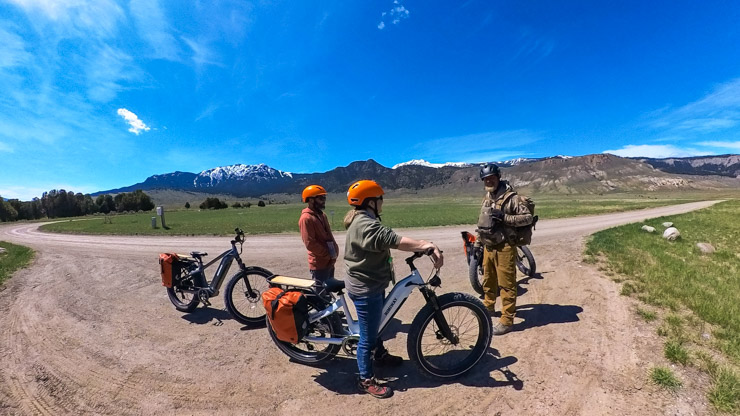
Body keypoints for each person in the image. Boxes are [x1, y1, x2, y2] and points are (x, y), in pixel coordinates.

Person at [343, 180, 443, 399]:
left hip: (370, 282)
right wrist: (425, 244)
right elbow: (393, 240)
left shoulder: (362, 220)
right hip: (366, 287)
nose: (382, 202)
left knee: (376, 323)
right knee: (367, 337)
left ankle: (379, 355)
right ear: (370, 202)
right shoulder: (366, 225)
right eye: (380, 199)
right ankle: (365, 379)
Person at [475, 163, 533, 336]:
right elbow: (482, 224)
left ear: (498, 177)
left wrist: (505, 217)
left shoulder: (511, 198)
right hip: (488, 246)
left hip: (505, 247)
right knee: (488, 280)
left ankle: (507, 320)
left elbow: (528, 218)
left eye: (492, 178)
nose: (489, 181)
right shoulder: (487, 198)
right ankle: (488, 307)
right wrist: (477, 245)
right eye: (486, 179)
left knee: (506, 285)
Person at [299, 185, 339, 285]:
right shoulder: (306, 218)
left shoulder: (322, 215)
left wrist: (334, 252)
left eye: (324, 198)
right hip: (319, 265)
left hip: (329, 262)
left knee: (329, 293)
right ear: (311, 200)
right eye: (321, 198)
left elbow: (329, 236)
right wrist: (327, 254)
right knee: (321, 296)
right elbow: (310, 243)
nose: (324, 200)